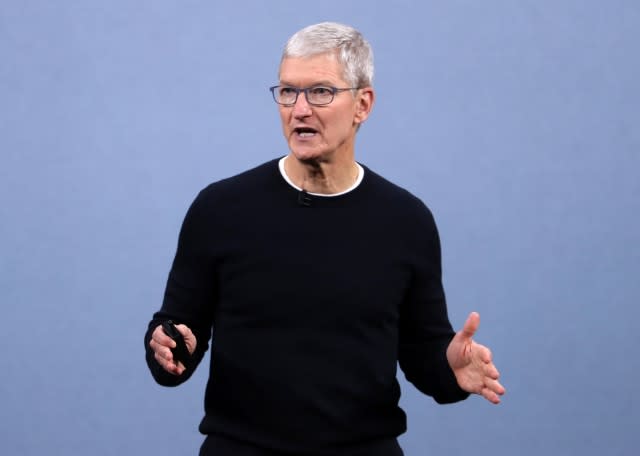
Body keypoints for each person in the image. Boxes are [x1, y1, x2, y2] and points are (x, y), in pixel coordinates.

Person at [144, 22, 505, 456]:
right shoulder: (220, 209)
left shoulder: (406, 220)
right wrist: (167, 348)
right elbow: (178, 335)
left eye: (320, 92)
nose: (299, 109)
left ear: (363, 104)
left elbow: (422, 351)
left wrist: (452, 367)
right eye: (288, 92)